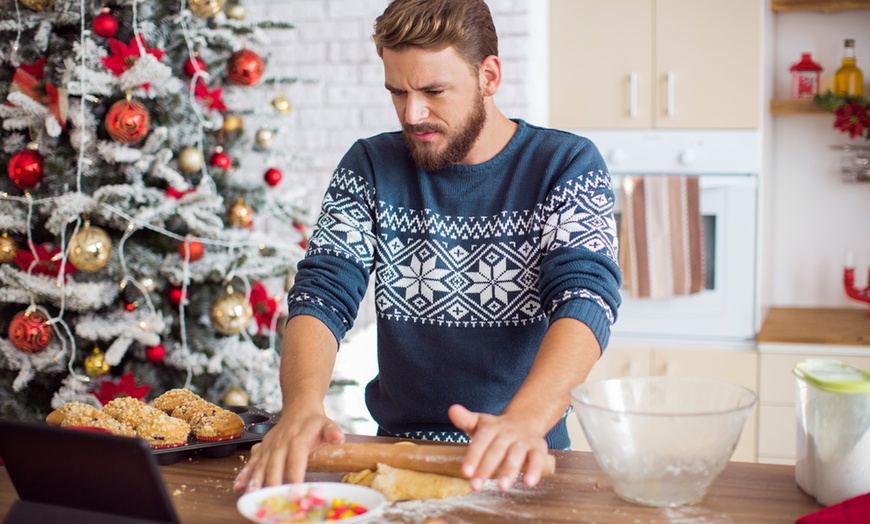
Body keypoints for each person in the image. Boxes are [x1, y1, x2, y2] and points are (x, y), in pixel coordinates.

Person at [234, 0, 620, 495]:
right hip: (396, 458)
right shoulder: (369, 165)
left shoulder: (565, 164)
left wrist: (522, 421)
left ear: (489, 75)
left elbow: (586, 299)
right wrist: (304, 404)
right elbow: (324, 289)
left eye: (434, 91)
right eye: (398, 92)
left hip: (523, 458)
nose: (413, 113)